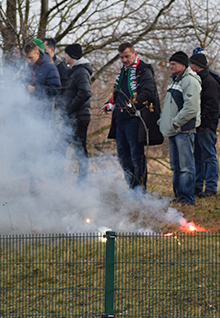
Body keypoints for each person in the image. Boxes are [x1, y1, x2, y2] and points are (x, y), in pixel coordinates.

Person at [101, 43, 163, 192]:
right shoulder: (123, 72)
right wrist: (110, 105)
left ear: (135, 54)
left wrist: (129, 108)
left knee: (136, 157)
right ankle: (132, 188)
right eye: (121, 57)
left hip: (134, 121)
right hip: (120, 121)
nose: (124, 60)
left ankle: (140, 191)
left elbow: (148, 93)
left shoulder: (143, 70)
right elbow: (119, 94)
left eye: (127, 56)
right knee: (123, 157)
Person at [158, 51, 202, 204]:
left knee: (186, 167)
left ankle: (187, 199)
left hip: (184, 130)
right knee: (176, 167)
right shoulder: (174, 81)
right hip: (174, 130)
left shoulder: (190, 81)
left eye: (173, 64)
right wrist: (163, 122)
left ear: (183, 65)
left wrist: (176, 122)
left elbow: (191, 107)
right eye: (170, 64)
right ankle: (178, 197)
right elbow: (170, 107)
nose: (170, 66)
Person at [190, 52, 220, 197]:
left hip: (206, 126)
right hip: (200, 125)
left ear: (196, 65)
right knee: (198, 157)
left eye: (191, 64)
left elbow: (213, 106)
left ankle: (211, 187)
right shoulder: (200, 80)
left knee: (209, 156)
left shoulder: (208, 81)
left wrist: (204, 123)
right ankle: (197, 186)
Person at [62, 44, 93, 184]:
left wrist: (69, 108)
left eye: (66, 54)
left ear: (72, 55)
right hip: (72, 116)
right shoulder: (74, 71)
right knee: (60, 147)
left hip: (79, 117)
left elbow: (85, 92)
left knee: (80, 150)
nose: (64, 57)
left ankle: (82, 182)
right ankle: (55, 179)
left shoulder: (81, 71)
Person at [23, 41, 61, 118]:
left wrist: (35, 89)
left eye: (30, 57)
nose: (28, 61)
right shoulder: (27, 68)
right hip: (27, 113)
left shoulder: (50, 68)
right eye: (26, 58)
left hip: (44, 114)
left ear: (37, 53)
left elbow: (55, 90)